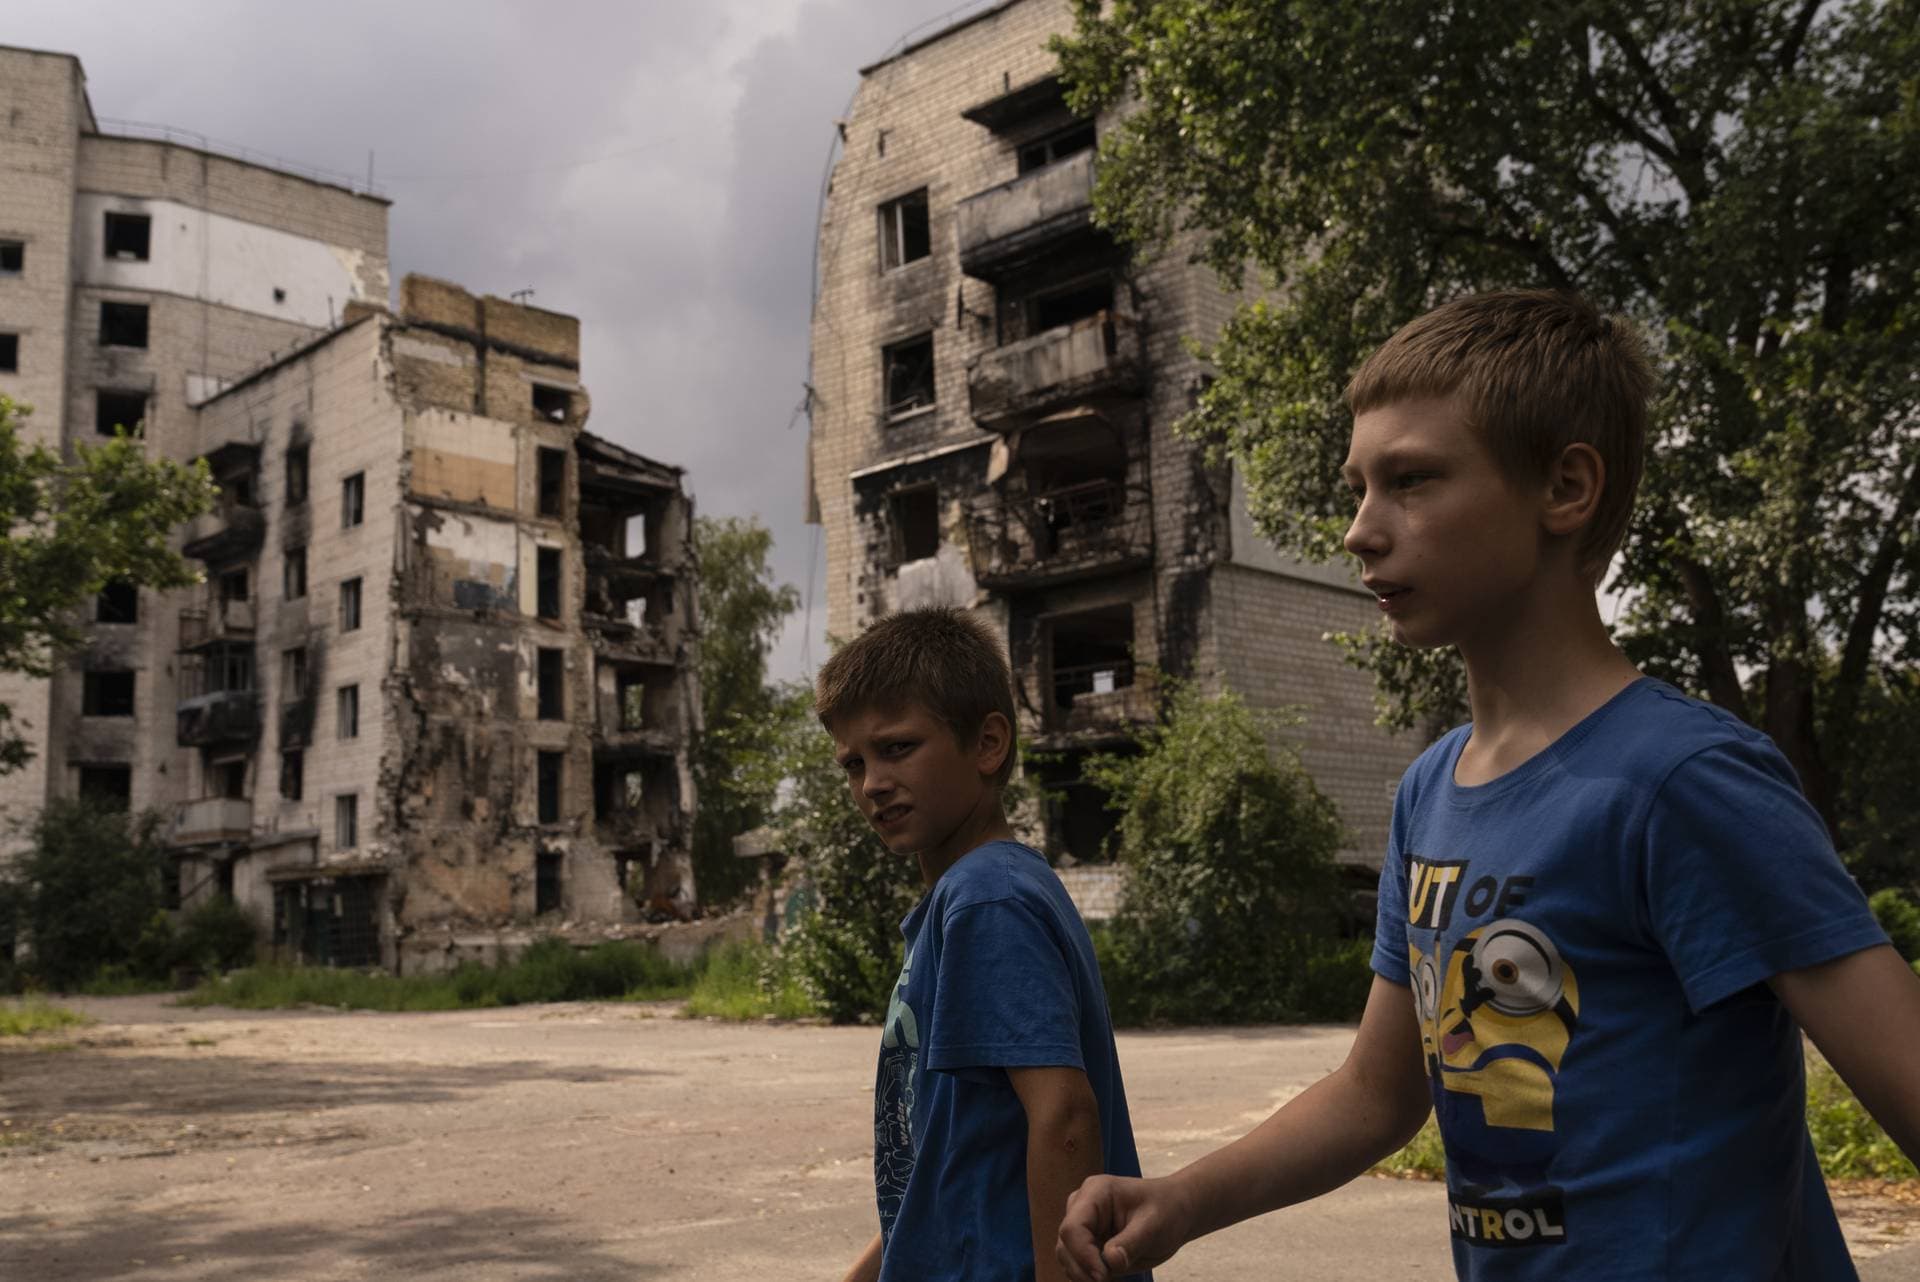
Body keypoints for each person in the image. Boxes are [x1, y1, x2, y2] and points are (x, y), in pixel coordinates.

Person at [1055, 289, 1920, 1281]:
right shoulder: (1431, 790)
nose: (1360, 530)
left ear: (1566, 487)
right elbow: (1379, 1094)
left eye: (1411, 480)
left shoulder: (1682, 779)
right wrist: (1178, 1199)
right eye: (1358, 486)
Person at [822, 607, 1150, 1282]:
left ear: (987, 744)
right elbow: (948, 1169)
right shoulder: (967, 900)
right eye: (853, 763)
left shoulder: (988, 897)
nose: (871, 783)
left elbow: (1063, 1117)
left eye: (897, 748)